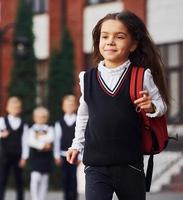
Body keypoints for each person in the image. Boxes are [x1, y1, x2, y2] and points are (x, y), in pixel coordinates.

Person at [66, 10, 169, 200]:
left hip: (130, 164)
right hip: (95, 165)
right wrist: (76, 145)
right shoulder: (86, 78)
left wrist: (152, 107)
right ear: (98, 41)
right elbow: (83, 116)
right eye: (104, 36)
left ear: (133, 44)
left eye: (119, 37)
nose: (110, 41)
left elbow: (162, 105)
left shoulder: (141, 75)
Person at [0, 96, 29, 200]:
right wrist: (1, 134)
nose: (15, 109)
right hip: (4, 155)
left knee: (19, 181)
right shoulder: (2, 120)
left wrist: (24, 157)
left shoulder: (23, 124)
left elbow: (25, 141)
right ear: (8, 108)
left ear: (20, 109)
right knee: (2, 180)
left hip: (17, 155)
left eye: (17, 107)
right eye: (13, 107)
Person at [54, 95, 78, 200]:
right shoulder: (59, 123)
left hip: (75, 155)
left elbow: (82, 138)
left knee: (74, 179)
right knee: (65, 179)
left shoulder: (79, 121)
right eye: (67, 105)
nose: (69, 107)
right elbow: (57, 140)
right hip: (63, 155)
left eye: (71, 105)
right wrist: (56, 155)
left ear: (76, 106)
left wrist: (80, 156)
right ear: (63, 107)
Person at [28, 106, 54, 200]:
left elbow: (51, 138)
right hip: (35, 157)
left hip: (45, 158)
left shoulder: (49, 128)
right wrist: (43, 145)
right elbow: (31, 141)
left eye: (43, 117)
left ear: (46, 118)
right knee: (35, 179)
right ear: (34, 118)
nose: (40, 119)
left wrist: (38, 138)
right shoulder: (31, 129)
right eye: (38, 117)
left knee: (44, 180)